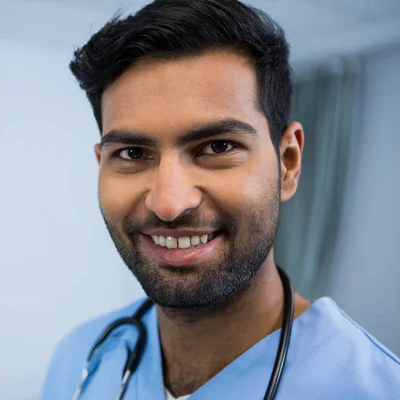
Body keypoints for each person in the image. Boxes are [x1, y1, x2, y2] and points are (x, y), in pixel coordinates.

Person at [40, 0, 400, 399]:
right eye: (131, 153)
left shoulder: (374, 388)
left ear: (288, 164)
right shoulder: (80, 358)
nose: (169, 204)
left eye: (217, 146)